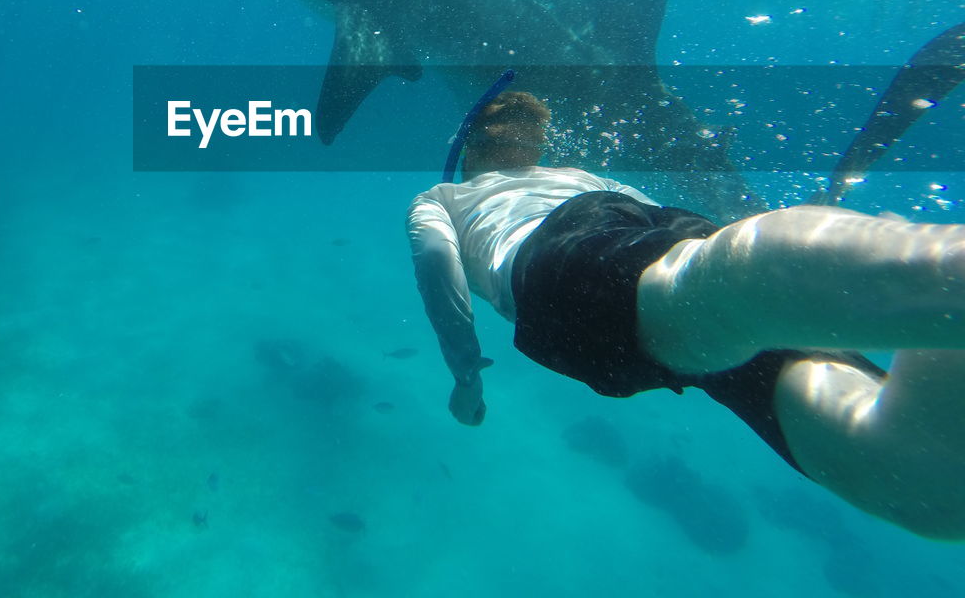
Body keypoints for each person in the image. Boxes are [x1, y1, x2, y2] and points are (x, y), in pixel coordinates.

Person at [407, 90, 965, 540]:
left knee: (721, 286)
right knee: (919, 486)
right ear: (536, 144)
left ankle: (946, 269)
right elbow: (655, 219)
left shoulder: (441, 197)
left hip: (553, 266)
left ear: (471, 149)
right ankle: (936, 280)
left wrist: (465, 376)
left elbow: (438, 269)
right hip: (633, 253)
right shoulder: (577, 174)